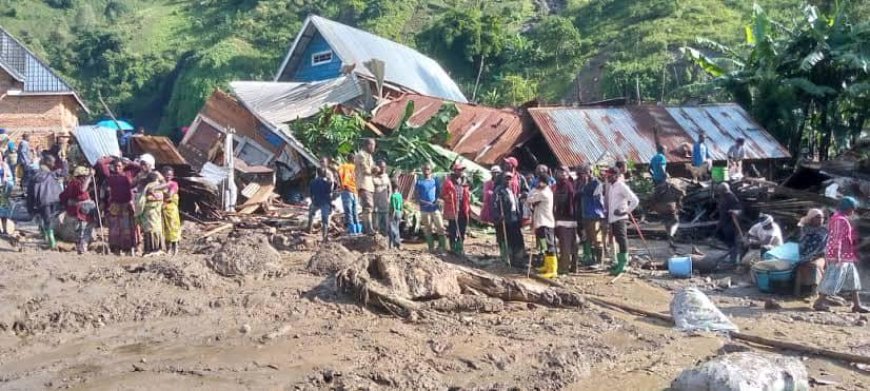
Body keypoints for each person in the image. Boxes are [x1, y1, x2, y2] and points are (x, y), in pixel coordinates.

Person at [813, 197, 867, 313]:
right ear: (848, 208)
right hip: (839, 256)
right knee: (833, 279)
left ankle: (857, 305)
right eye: (853, 208)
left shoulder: (841, 218)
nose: (853, 211)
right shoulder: (840, 220)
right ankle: (819, 302)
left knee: (853, 280)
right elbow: (837, 238)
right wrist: (837, 254)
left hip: (846, 255)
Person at [26, 155, 66, 249]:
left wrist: (30, 207)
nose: (54, 164)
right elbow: (64, 172)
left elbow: (30, 194)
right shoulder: (52, 174)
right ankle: (51, 241)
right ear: (47, 162)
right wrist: (64, 162)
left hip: (40, 201)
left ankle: (47, 237)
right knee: (49, 219)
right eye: (52, 162)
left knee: (44, 218)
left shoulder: (34, 177)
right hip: (53, 200)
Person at [605, 167, 639, 276]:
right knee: (618, 240)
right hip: (613, 219)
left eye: (610, 176)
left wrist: (625, 212)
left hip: (620, 219)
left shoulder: (621, 186)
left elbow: (635, 200)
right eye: (607, 175)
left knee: (622, 239)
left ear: (616, 175)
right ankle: (619, 262)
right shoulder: (611, 187)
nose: (608, 177)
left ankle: (623, 264)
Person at [106, 159, 140, 256]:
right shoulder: (111, 177)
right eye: (116, 166)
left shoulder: (128, 174)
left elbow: (138, 167)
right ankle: (116, 248)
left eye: (119, 166)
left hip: (126, 205)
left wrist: (127, 162)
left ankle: (129, 248)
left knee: (127, 228)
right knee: (115, 228)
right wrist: (111, 158)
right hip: (115, 205)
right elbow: (101, 165)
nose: (117, 168)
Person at [492, 171, 525, 268]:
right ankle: (509, 259)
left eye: (510, 178)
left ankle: (518, 259)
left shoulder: (512, 190)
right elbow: (495, 205)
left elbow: (516, 204)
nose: (508, 180)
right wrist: (498, 216)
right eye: (506, 178)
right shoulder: (499, 191)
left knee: (518, 238)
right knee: (509, 239)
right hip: (507, 217)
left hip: (515, 217)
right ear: (503, 179)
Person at [527, 171, 557, 278]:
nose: (538, 183)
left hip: (546, 222)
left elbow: (529, 199)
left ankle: (553, 270)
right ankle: (547, 266)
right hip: (541, 221)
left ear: (544, 183)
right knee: (545, 245)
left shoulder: (544, 193)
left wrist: (535, 191)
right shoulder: (543, 191)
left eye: (540, 182)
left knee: (550, 245)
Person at [60, 166, 96, 254]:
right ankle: (82, 247)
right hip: (82, 210)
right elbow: (82, 189)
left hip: (79, 209)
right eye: (84, 176)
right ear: (82, 176)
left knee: (80, 229)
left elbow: (62, 196)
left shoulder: (72, 183)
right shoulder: (76, 183)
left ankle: (80, 246)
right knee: (84, 229)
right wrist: (90, 176)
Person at [576, 164, 606, 267]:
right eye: (580, 174)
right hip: (585, 214)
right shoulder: (581, 183)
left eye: (584, 173)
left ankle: (599, 261)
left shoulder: (596, 183)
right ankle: (589, 258)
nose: (582, 176)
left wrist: (583, 185)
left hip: (595, 214)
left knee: (596, 238)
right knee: (587, 237)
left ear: (590, 172)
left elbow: (587, 193)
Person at [794, 209, 827, 297]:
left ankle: (815, 292)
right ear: (811, 218)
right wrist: (808, 256)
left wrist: (816, 255)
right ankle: (799, 291)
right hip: (805, 256)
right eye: (818, 217)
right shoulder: (804, 230)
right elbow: (801, 245)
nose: (820, 219)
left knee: (815, 265)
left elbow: (825, 247)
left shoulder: (824, 231)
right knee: (803, 264)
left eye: (822, 217)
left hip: (821, 256)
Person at [415, 162, 446, 252]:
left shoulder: (435, 181)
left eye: (428, 169)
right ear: (422, 170)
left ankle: (442, 248)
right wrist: (424, 202)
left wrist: (437, 200)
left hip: (435, 208)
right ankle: (431, 248)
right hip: (424, 209)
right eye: (424, 169)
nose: (426, 171)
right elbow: (416, 197)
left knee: (440, 227)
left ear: (431, 170)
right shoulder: (419, 182)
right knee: (428, 229)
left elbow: (439, 193)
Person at [442, 162, 471, 256]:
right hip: (453, 209)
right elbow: (443, 195)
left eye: (462, 170)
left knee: (462, 229)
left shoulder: (464, 181)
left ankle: (460, 247)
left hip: (463, 209)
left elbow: (467, 194)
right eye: (459, 170)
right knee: (453, 229)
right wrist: (448, 198)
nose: (461, 172)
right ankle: (453, 248)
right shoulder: (449, 182)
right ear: (455, 171)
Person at [553, 166, 577, 274]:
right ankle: (572, 266)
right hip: (568, 219)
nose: (562, 174)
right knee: (571, 245)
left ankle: (564, 268)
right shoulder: (562, 185)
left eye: (564, 173)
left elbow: (563, 203)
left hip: (565, 219)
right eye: (560, 172)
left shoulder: (566, 186)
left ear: (567, 174)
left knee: (565, 245)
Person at [715, 182, 743, 264]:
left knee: (731, 241)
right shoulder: (723, 197)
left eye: (720, 191)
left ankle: (733, 259)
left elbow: (740, 209)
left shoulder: (732, 197)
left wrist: (734, 211)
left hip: (730, 223)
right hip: (723, 222)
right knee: (721, 237)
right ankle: (731, 255)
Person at [354, 138, 376, 234]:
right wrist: (375, 170)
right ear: (367, 145)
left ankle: (365, 228)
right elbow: (366, 170)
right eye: (372, 145)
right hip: (364, 183)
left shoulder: (369, 156)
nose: (373, 147)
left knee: (367, 207)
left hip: (368, 184)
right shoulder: (361, 155)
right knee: (368, 206)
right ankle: (369, 229)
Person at [308, 168, 335, 242]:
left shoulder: (312, 182)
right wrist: (330, 205)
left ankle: (309, 230)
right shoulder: (327, 183)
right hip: (325, 202)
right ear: (324, 174)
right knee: (325, 220)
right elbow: (329, 193)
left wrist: (313, 201)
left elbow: (310, 193)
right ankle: (324, 236)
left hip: (316, 202)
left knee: (311, 214)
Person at [162, 167, 182, 256]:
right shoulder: (161, 184)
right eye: (166, 174)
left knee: (173, 229)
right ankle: (168, 249)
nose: (168, 176)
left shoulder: (174, 184)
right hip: (163, 210)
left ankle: (176, 248)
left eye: (170, 175)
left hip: (172, 211)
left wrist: (159, 192)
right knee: (165, 230)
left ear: (173, 176)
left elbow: (169, 194)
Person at [337, 157, 360, 234]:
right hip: (355, 191)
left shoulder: (344, 166)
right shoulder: (356, 168)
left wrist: (341, 185)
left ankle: (352, 231)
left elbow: (338, 172)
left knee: (348, 211)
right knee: (355, 212)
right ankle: (358, 230)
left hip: (347, 190)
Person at [372, 160, 392, 236]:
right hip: (375, 205)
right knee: (376, 226)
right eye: (381, 167)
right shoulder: (372, 177)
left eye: (384, 167)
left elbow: (389, 189)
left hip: (385, 205)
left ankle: (385, 241)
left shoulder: (386, 177)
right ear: (377, 167)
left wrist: (389, 198)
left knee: (385, 225)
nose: (383, 168)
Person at [388, 178, 403, 249]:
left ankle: (397, 244)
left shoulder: (392, 196)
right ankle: (394, 244)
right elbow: (401, 206)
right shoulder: (400, 195)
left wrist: (391, 216)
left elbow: (393, 208)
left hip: (394, 213)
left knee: (393, 229)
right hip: (399, 213)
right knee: (397, 228)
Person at [0, 151, 12, 235]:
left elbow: (10, 177)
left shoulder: (5, 165)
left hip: (4, 190)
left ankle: (5, 229)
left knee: (4, 211)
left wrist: (6, 176)